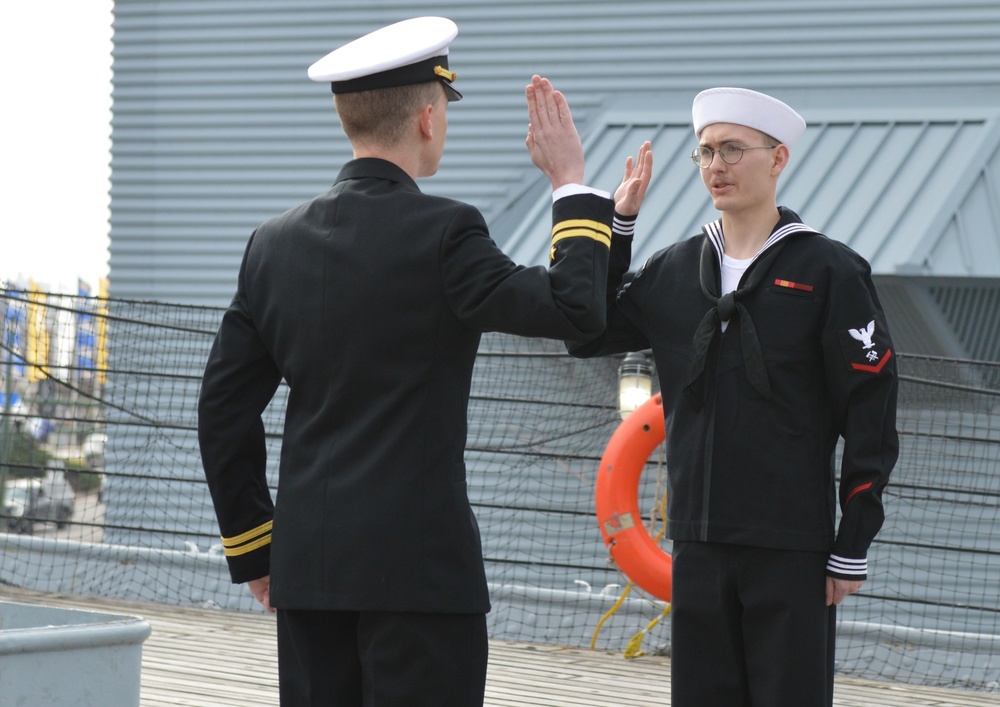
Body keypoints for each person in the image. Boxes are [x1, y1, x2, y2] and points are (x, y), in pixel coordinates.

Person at [196, 16, 622, 706]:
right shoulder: (448, 233)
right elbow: (577, 312)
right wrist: (569, 182)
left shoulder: (270, 245)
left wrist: (254, 545)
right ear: (427, 118)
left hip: (310, 576)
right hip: (421, 580)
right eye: (445, 111)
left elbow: (221, 410)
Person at [571, 87, 899, 706]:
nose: (715, 166)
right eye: (704, 153)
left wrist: (852, 542)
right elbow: (588, 332)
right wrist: (618, 229)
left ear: (778, 160)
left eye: (731, 150)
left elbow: (871, 411)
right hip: (697, 545)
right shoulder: (673, 271)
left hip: (792, 547)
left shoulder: (831, 271)